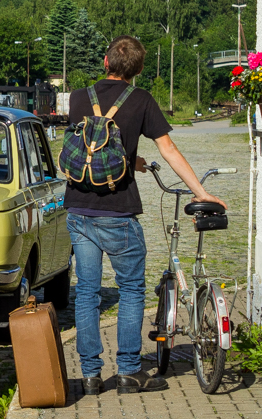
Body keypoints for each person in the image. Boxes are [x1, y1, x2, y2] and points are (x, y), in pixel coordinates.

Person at [65, 35, 226, 396]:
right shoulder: (141, 100)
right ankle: (128, 371)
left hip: (78, 208)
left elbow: (85, 147)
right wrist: (202, 192)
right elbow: (168, 150)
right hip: (118, 212)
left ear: (105, 63)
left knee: (88, 292)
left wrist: (127, 161)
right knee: (132, 289)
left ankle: (90, 376)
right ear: (137, 71)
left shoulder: (78, 98)